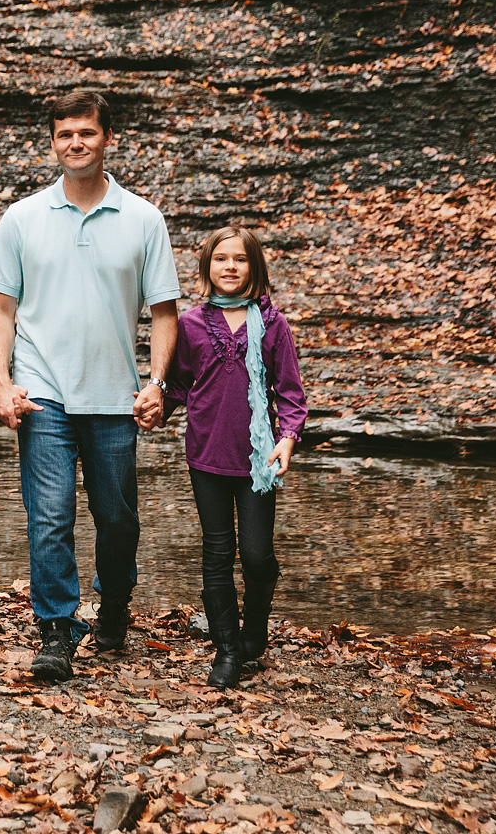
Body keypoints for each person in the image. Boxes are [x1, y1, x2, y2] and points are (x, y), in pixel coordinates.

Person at [0, 90, 181, 683]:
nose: (76, 143)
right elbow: (0, 310)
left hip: (116, 395)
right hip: (42, 390)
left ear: (106, 138)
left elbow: (164, 311)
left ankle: (114, 602)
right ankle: (58, 628)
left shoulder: (144, 218)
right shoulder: (22, 218)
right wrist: (0, 379)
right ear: (52, 142)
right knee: (49, 516)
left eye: (86, 133)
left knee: (118, 520)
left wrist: (159, 384)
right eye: (65, 134)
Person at [163, 226, 307, 688]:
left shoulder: (273, 323)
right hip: (205, 453)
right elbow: (181, 385)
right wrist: (154, 406)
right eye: (221, 259)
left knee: (258, 555)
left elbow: (290, 393)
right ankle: (227, 650)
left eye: (240, 259)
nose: (230, 266)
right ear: (207, 267)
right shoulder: (190, 324)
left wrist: (287, 438)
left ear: (254, 267)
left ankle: (256, 626)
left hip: (258, 459)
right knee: (217, 552)